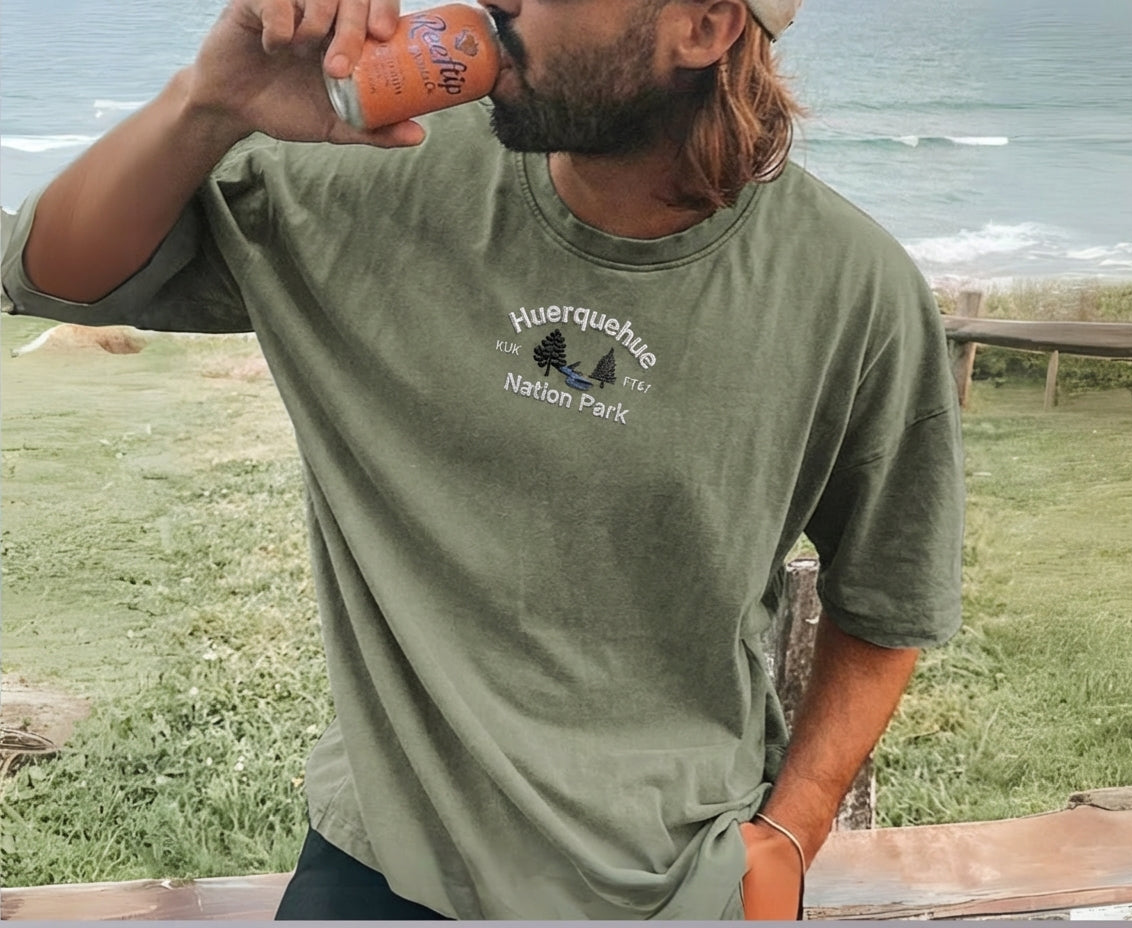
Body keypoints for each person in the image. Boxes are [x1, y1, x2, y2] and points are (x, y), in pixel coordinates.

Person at [1, 0, 964, 919]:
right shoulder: (378, 177)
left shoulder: (850, 291)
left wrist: (791, 833)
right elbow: (48, 275)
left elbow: (890, 593)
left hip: (666, 877)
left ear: (705, 26)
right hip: (383, 862)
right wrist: (206, 101)